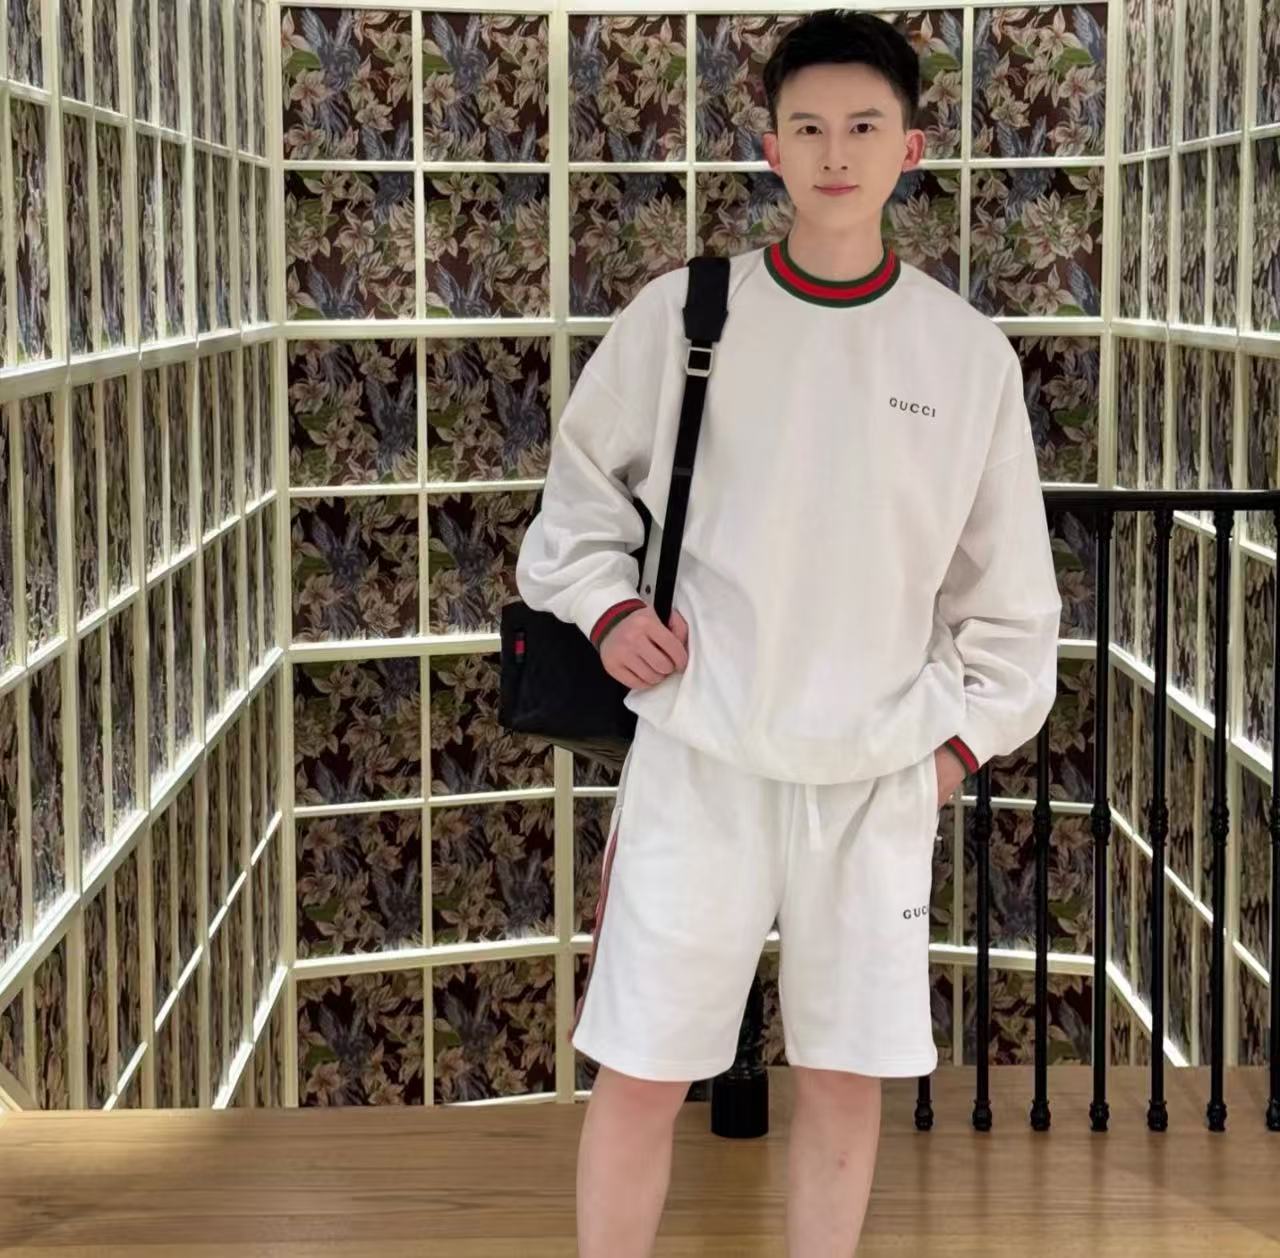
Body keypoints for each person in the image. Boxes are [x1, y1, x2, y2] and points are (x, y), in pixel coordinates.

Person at [516, 9, 1062, 1256]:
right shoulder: (685, 314)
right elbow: (576, 507)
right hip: (701, 753)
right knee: (640, 1070)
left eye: (862, 126)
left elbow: (1011, 603)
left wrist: (947, 756)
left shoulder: (963, 354)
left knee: (841, 1079)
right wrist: (608, 611)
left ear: (909, 146)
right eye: (806, 128)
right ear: (769, 147)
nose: (833, 152)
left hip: (873, 776)